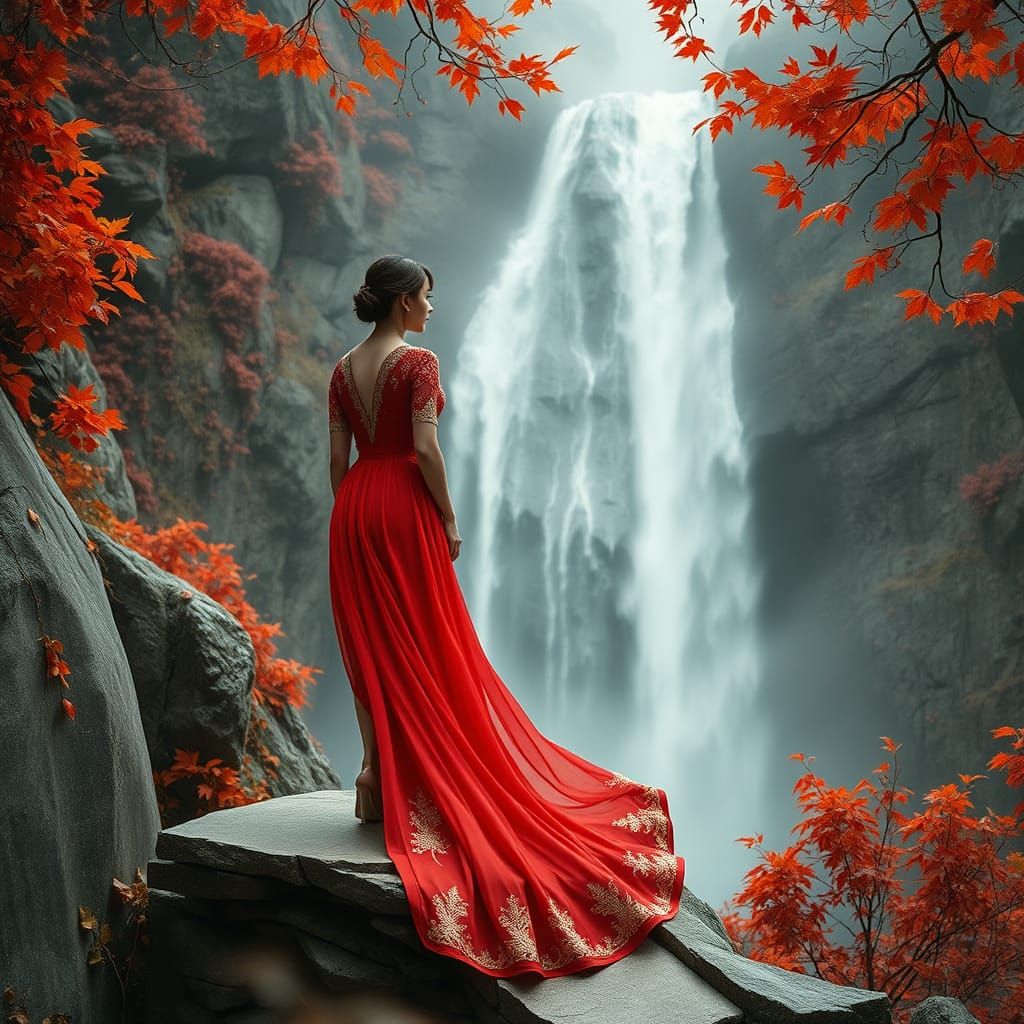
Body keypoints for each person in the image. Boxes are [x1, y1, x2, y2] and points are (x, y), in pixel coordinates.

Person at [327, 254, 686, 978]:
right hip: (404, 507)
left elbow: (337, 460)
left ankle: (375, 779)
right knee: (428, 645)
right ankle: (419, 780)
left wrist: (350, 514)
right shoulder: (418, 364)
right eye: (427, 296)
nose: (433, 308)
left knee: (373, 646)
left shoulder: (341, 370)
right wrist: (448, 518)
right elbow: (425, 447)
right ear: (401, 303)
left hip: (356, 508)